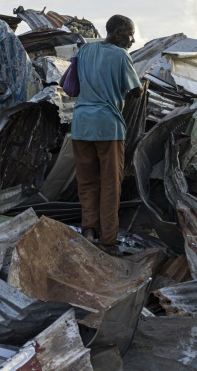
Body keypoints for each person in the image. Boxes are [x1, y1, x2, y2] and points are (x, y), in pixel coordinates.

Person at [65, 14, 142, 257]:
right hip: (108, 127)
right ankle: (108, 239)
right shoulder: (121, 56)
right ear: (117, 32)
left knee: (87, 183)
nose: (132, 40)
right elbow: (136, 91)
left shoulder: (85, 51)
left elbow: (69, 82)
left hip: (81, 126)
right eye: (130, 34)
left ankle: (88, 230)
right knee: (110, 184)